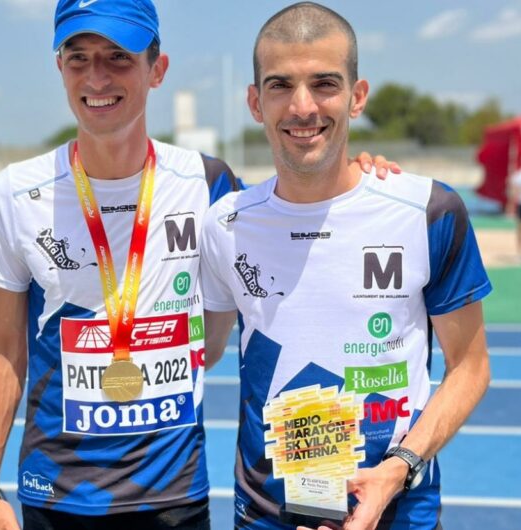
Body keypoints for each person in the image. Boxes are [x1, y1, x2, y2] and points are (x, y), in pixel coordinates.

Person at [0, 1, 397, 528]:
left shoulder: (210, 183)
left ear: (158, 69)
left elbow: (297, 211)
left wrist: (357, 172)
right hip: (56, 494)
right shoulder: (14, 193)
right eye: (78, 58)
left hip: (173, 496)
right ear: (60, 67)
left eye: (118, 58)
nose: (96, 76)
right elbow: (6, 347)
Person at [201, 3, 492, 529]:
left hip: (398, 509)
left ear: (357, 97)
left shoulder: (428, 212)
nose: (303, 106)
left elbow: (471, 367)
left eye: (325, 84)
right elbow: (206, 346)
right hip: (267, 513)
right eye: (280, 85)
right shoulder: (224, 224)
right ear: (254, 101)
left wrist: (397, 469)